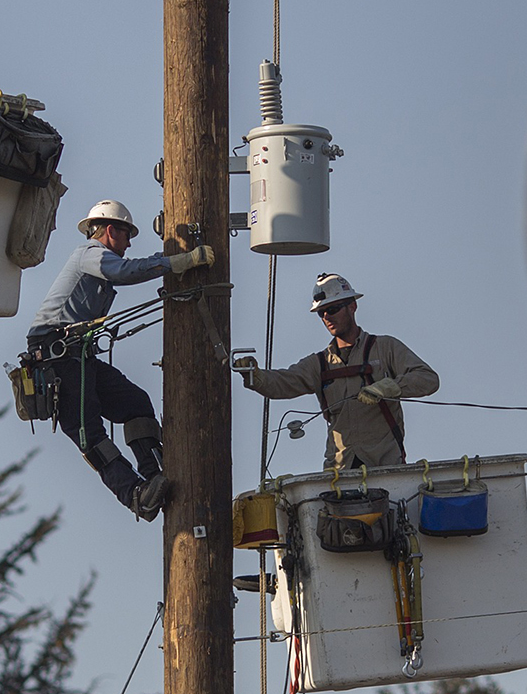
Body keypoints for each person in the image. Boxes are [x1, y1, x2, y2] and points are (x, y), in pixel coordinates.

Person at [24, 200, 214, 519]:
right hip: (56, 358)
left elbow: (128, 268)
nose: (128, 243)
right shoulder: (89, 254)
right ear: (111, 230)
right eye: (126, 235)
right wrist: (179, 262)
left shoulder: (96, 258)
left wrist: (173, 262)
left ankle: (154, 475)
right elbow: (125, 271)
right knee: (90, 434)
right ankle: (135, 495)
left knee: (135, 403)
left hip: (78, 356)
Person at [236, 272, 437, 471]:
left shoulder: (385, 349)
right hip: (340, 473)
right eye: (321, 313)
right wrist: (255, 374)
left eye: (332, 309)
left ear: (352, 306)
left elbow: (428, 379)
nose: (326, 317)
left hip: (385, 470)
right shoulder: (320, 364)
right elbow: (283, 382)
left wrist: (390, 387)